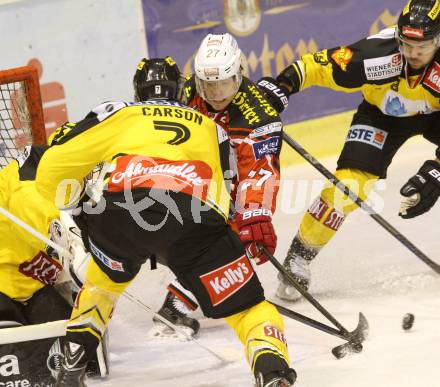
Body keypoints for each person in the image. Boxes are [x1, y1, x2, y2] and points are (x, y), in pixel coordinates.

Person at [35, 57, 296, 387]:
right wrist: (235, 233)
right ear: (182, 91)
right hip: (194, 221)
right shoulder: (212, 127)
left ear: (137, 91)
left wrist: (78, 206)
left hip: (118, 216)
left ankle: (71, 361)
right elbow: (230, 191)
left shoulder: (119, 113)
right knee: (248, 309)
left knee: (100, 288)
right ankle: (271, 369)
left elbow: (53, 166)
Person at [257, 0, 440, 301]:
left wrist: (436, 171)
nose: (413, 54)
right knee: (348, 187)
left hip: (435, 115)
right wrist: (283, 85)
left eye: (423, 47)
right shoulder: (376, 56)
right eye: (406, 44)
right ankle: (298, 258)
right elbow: (315, 66)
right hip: (382, 116)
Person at [147, 33, 284, 338]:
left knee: (236, 242)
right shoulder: (185, 93)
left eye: (224, 83)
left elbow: (260, 172)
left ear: (238, 75)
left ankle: (178, 304)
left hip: (230, 189)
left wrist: (254, 213)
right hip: (189, 180)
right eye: (209, 85)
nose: (217, 93)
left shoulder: (258, 116)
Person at [0, 145, 107, 385]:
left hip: (28, 285)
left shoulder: (46, 190)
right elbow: (37, 203)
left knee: (74, 331)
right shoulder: (27, 188)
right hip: (8, 290)